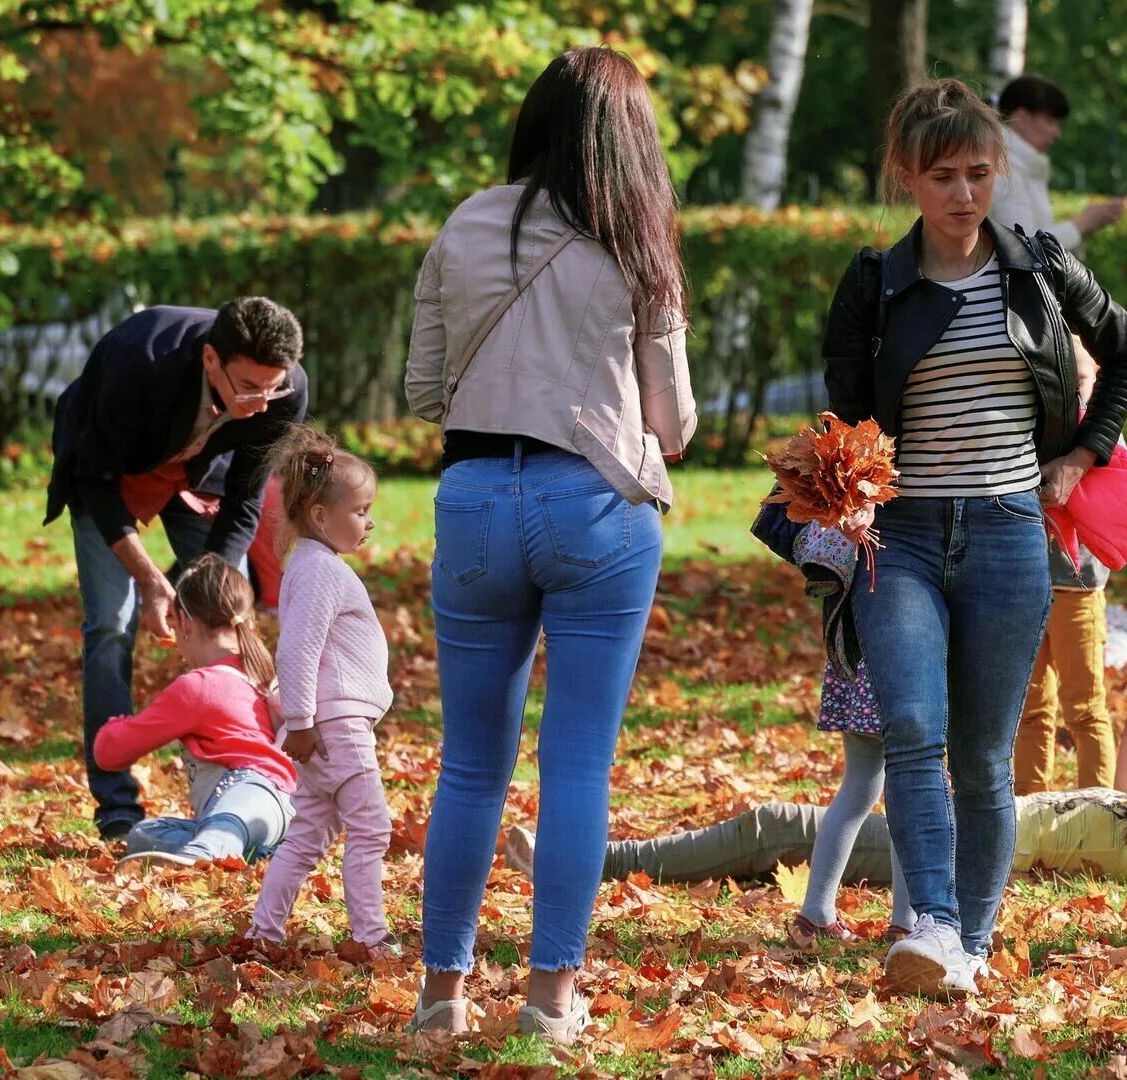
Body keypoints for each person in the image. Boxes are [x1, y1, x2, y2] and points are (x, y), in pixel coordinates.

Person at [822, 77, 1127, 997]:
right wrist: (844, 493)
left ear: (997, 173)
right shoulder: (873, 286)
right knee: (915, 731)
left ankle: (971, 939)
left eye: (977, 174)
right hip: (906, 538)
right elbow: (843, 416)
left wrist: (1084, 457)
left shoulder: (1040, 267)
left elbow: (1126, 350)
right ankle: (928, 926)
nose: (963, 195)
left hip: (1010, 536)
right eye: (942, 178)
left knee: (982, 756)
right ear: (907, 179)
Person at [403, 46, 696, 1043]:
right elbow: (674, 424)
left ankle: (440, 999)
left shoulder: (467, 222)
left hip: (477, 496)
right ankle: (548, 1004)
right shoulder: (635, 237)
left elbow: (425, 390)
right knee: (577, 769)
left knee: (469, 769)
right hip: (598, 507)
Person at [504, 576, 1127, 905]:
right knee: (781, 836)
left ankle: (588, 863)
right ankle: (603, 861)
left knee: (776, 828)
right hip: (954, 824)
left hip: (950, 852)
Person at [45, 298, 308, 841]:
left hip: (201, 473)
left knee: (230, 616)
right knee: (110, 626)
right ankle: (117, 808)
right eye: (248, 387)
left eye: (272, 388)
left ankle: (249, 781)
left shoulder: (286, 392)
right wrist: (150, 578)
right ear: (211, 359)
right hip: (110, 470)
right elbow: (93, 478)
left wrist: (206, 579)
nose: (262, 403)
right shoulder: (140, 362)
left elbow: (246, 496)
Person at [247, 427, 396, 957]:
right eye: (360, 510)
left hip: (327, 725)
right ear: (318, 516)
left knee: (308, 834)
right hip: (334, 727)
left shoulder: (313, 567)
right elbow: (297, 650)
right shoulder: (318, 571)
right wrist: (304, 721)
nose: (369, 520)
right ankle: (371, 938)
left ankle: (264, 931)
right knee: (372, 829)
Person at [93, 555, 297, 867]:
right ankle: (243, 853)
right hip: (283, 813)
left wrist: (115, 723)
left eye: (174, 624)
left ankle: (208, 851)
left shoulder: (198, 687)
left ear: (186, 623)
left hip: (256, 795)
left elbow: (109, 752)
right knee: (144, 833)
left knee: (228, 819)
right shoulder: (258, 671)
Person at [1015, 355, 1113, 795]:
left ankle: (1099, 809)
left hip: (1077, 588)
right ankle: (1029, 812)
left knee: (1085, 709)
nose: (1074, 390)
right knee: (1031, 708)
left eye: (1083, 379)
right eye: (1063, 380)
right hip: (1023, 589)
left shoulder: (1098, 435)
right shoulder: (1028, 423)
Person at [988, 75, 1125, 253]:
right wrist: (1082, 222)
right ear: (1021, 118)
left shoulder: (1022, 165)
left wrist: (1087, 225)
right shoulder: (1004, 168)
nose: (1056, 133)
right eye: (1050, 122)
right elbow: (1023, 249)